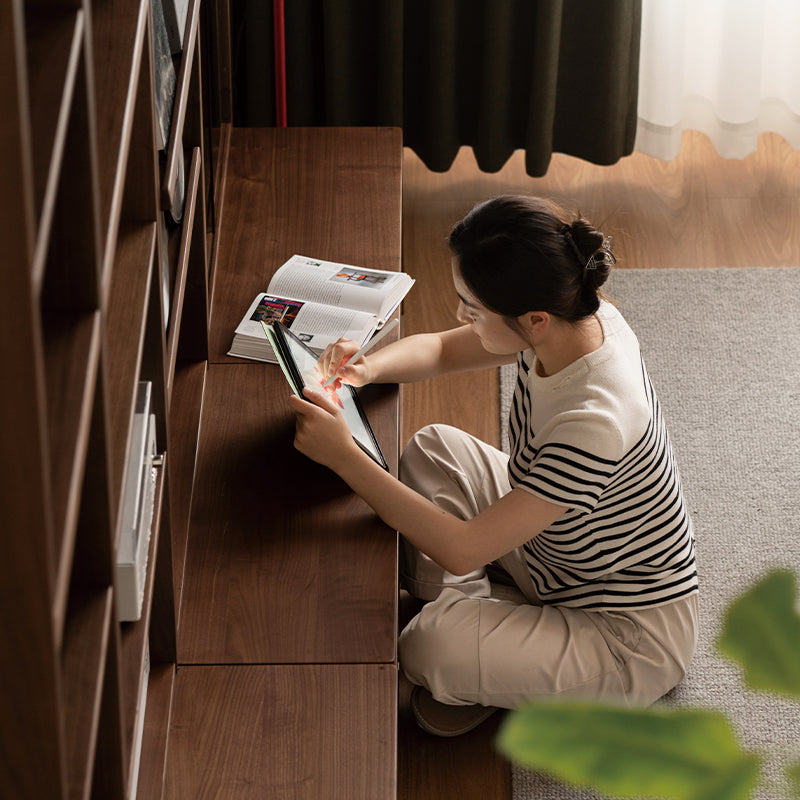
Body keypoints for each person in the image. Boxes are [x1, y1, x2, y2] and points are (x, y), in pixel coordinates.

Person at [287, 195, 699, 737]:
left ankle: (481, 637)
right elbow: (442, 351)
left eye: (473, 308)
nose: (461, 316)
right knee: (435, 447)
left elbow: (463, 549)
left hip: (623, 633)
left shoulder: (596, 419)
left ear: (533, 319)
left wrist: (344, 457)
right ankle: (492, 631)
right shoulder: (571, 319)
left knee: (428, 646)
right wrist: (365, 369)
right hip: (553, 554)